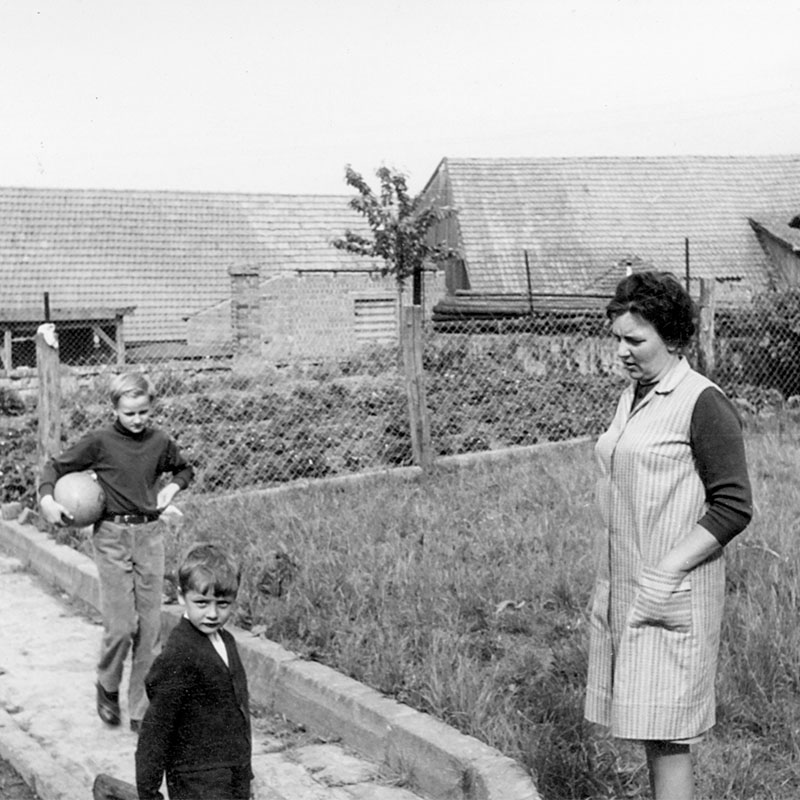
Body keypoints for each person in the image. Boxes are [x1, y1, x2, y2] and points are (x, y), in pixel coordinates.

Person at [584, 271, 753, 800]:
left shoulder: (703, 403)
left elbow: (734, 506)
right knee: (652, 731)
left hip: (671, 589)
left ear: (673, 338)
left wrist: (669, 568)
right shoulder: (635, 395)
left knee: (669, 735)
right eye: (617, 339)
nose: (621, 352)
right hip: (630, 586)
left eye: (635, 340)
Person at [38, 372, 193, 732]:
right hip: (111, 536)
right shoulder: (100, 442)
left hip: (150, 536)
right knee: (122, 626)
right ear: (115, 410)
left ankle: (141, 707)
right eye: (129, 413)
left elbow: (185, 469)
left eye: (143, 412)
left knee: (151, 628)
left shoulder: (159, 442)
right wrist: (47, 499)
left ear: (151, 407)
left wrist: (172, 488)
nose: (137, 420)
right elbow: (55, 467)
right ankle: (107, 684)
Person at [135, 542, 252, 800]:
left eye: (222, 604)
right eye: (201, 602)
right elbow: (156, 728)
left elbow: (237, 714)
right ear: (180, 597)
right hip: (196, 781)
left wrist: (245, 773)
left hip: (231, 775)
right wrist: (148, 790)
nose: (212, 613)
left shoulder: (226, 642)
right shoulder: (179, 655)